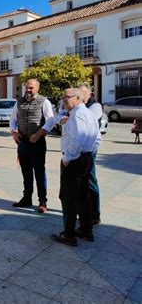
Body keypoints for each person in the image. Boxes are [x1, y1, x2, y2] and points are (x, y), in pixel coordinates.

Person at [52, 88, 101, 247]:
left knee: (69, 197)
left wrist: (67, 158)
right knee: (83, 196)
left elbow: (78, 139)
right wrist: (90, 154)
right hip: (86, 158)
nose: (63, 100)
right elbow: (97, 138)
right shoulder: (86, 113)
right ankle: (86, 230)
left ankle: (69, 234)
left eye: (67, 97)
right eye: (63, 97)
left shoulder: (78, 114)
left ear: (78, 98)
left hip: (75, 159)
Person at [10, 79, 55, 213]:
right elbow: (13, 119)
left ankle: (42, 201)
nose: (28, 90)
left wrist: (39, 133)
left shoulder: (44, 101)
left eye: (31, 88)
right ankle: (27, 198)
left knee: (39, 171)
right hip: (23, 142)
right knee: (26, 171)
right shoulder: (19, 102)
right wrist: (13, 132)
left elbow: (51, 120)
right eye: (27, 88)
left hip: (38, 142)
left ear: (37, 88)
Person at [78, 83, 103, 225]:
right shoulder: (79, 106)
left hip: (89, 150)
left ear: (89, 94)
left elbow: (86, 121)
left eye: (83, 94)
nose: (80, 97)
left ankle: (95, 213)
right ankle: (83, 210)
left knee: (90, 180)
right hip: (78, 150)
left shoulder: (95, 106)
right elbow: (60, 116)